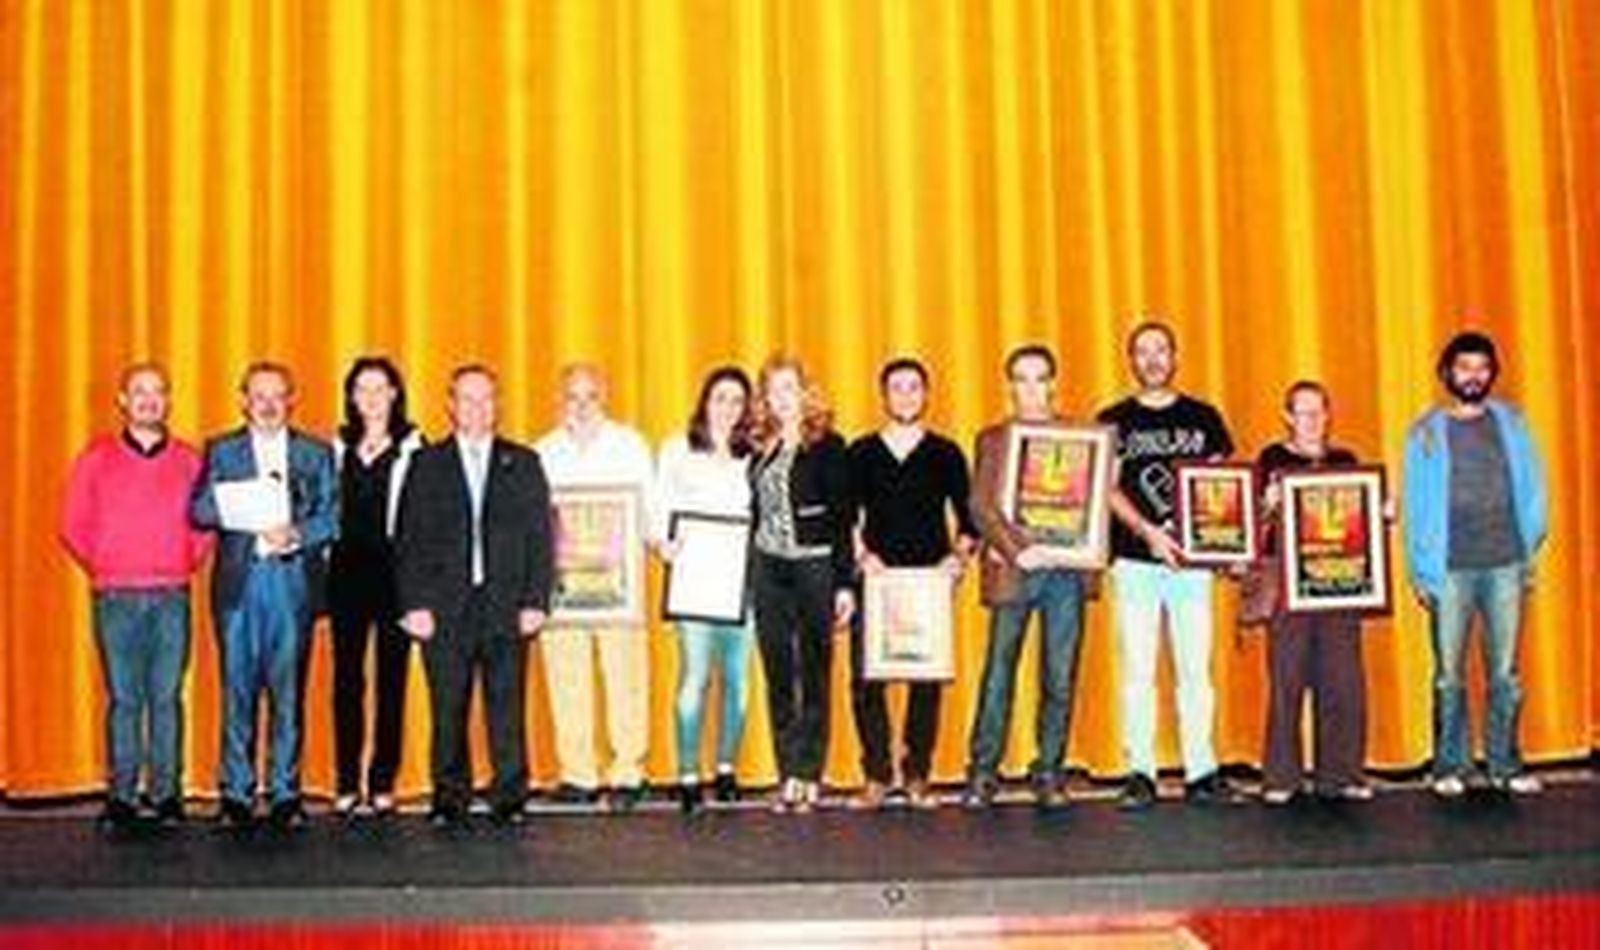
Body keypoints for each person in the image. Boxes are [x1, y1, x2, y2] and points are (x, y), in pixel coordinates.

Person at [395, 365, 552, 826]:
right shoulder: (426, 464)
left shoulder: (523, 462)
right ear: (451, 405)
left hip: (507, 603)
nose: (477, 408)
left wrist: (536, 600)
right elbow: (408, 540)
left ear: (497, 404)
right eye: (467, 398)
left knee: (507, 706)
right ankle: (449, 797)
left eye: (485, 398)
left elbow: (540, 537)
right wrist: (413, 604)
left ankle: (510, 796)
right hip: (444, 608)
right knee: (447, 707)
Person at [61, 362, 212, 829]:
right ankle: (122, 797)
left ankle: (167, 796)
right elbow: (72, 524)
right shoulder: (96, 458)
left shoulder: (189, 461)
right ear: (123, 401)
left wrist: (182, 561)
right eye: (139, 391)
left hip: (171, 595)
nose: (149, 400)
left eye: (158, 391)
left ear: (168, 400)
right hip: (116, 597)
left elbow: (205, 523)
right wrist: (108, 564)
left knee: (166, 698)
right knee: (124, 699)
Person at [1097, 320, 1241, 810]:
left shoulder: (1204, 417)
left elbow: (1221, 486)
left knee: (1195, 670)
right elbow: (1106, 488)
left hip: (1191, 564)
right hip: (1135, 561)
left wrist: (1214, 541)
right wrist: (1149, 532)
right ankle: (1141, 772)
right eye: (1143, 351)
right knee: (1138, 670)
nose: (1153, 359)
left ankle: (1202, 770)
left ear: (1175, 357)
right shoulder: (1113, 419)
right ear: (1131, 361)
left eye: (1161, 350)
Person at [190, 362, 338, 829]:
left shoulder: (315, 452)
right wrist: (237, 508)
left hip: (291, 583)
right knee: (236, 690)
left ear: (291, 400)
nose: (269, 405)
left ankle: (285, 793)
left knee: (288, 693)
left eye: (277, 395)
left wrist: (297, 532)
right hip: (239, 584)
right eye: (259, 396)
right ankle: (235, 794)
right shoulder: (222, 450)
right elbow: (198, 509)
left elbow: (333, 515)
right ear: (244, 400)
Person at [1403, 331, 1548, 797]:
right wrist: (1419, 570)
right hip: (1449, 569)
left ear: (1491, 374)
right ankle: (1450, 766)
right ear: (1448, 373)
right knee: (1449, 674)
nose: (1474, 376)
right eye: (1465, 367)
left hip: (1506, 563)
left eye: (1482, 368)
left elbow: (1534, 488)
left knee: (1505, 673)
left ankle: (1505, 765)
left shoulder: (1514, 423)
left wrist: (1528, 546)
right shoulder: (1425, 432)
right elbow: (1414, 505)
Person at [846, 357, 979, 810]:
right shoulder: (861, 452)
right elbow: (846, 518)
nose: (905, 395)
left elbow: (969, 519)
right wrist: (862, 556)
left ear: (926, 395)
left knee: (926, 681)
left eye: (913, 387)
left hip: (928, 583)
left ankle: (918, 774)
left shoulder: (946, 452)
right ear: (884, 396)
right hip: (876, 581)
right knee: (866, 680)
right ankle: (877, 776)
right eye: (897, 387)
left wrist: (957, 559)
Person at [964, 345, 1091, 810]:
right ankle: (983, 770)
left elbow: (1093, 502)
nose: (1032, 389)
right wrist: (1020, 550)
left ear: (1053, 384)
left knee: (1060, 674)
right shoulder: (993, 438)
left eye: (1040, 378)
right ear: (1011, 387)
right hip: (1014, 568)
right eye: (1022, 379)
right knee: (999, 671)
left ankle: (1049, 770)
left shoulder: (1083, 438)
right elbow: (980, 506)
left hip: (1065, 571)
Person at [534, 364, 655, 812]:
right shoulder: (543, 451)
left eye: (590, 396)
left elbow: (649, 508)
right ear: (561, 400)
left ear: (604, 398)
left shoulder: (629, 445)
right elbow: (534, 521)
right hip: (562, 587)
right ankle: (578, 773)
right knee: (566, 676)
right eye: (573, 396)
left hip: (619, 586)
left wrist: (662, 541)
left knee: (626, 676)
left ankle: (628, 772)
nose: (581, 405)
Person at [1255, 381, 1371, 804]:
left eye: (1319, 411)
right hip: (1287, 582)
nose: (1312, 420)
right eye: (1303, 412)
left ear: (1329, 415)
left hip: (1337, 580)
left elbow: (1359, 522)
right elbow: (1251, 522)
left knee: (1343, 679)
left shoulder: (1346, 461)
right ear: (1287, 417)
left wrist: (1379, 510)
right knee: (1286, 679)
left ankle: (1340, 774)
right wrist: (1265, 504)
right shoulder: (1272, 459)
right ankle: (1281, 777)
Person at [750, 354, 854, 813]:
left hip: (815, 566)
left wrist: (844, 584)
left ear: (806, 393)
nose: (782, 399)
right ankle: (786, 772)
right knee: (778, 672)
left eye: (790, 388)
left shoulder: (828, 445)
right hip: (767, 567)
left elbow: (842, 519)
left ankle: (809, 773)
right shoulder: (759, 445)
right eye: (773, 390)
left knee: (813, 671)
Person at [653, 366, 758, 814]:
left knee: (738, 681)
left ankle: (726, 767)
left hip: (742, 583)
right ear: (704, 402)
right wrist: (663, 543)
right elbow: (658, 506)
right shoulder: (677, 448)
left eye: (737, 400)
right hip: (694, 583)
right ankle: (688, 774)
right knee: (694, 678)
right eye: (720, 398)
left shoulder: (756, 452)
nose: (727, 408)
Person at [327, 356, 424, 818]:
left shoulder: (415, 447)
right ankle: (347, 781)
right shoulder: (335, 447)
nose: (370, 397)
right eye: (361, 388)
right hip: (345, 574)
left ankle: (383, 780)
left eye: (379, 387)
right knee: (346, 680)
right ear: (351, 396)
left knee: (392, 680)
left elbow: (423, 520)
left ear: (394, 394)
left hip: (395, 575)